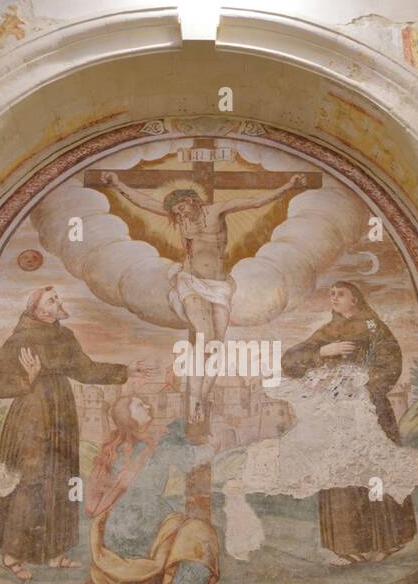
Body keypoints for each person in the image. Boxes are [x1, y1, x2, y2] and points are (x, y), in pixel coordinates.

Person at [0, 286, 158, 582]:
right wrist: (27, 378)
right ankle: (13, 553)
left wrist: (125, 371)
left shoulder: (65, 337)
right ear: (39, 310)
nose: (59, 301)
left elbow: (85, 370)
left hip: (61, 413)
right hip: (32, 414)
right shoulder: (21, 339)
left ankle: (54, 552)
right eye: (52, 299)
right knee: (29, 480)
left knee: (62, 477)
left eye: (57, 297)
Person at [101, 169, 305, 420]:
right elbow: (144, 202)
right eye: (176, 212)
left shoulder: (217, 211)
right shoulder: (182, 219)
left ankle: (203, 396)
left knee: (216, 348)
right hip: (190, 281)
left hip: (219, 286)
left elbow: (254, 201)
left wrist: (287, 186)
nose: (181, 213)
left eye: (182, 207)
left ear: (192, 200)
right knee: (204, 339)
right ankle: (195, 399)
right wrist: (118, 183)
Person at [34, 395, 220, 584]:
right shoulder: (155, 446)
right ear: (130, 417)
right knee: (199, 534)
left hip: (114, 529)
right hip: (144, 525)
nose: (148, 405)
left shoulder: (118, 448)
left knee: (185, 532)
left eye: (145, 402)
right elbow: (192, 458)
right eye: (139, 405)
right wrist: (213, 446)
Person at [280, 281, 416, 564]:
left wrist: (363, 387)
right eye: (331, 294)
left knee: (377, 470)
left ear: (355, 299)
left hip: (369, 408)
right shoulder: (328, 332)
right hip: (338, 413)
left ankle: (390, 540)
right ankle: (347, 545)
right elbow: (290, 361)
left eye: (340, 293)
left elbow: (391, 364)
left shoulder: (372, 327)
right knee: (340, 472)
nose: (334, 298)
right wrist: (323, 353)